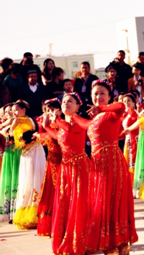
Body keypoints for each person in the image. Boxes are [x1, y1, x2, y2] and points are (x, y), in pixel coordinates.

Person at [73, 79, 138, 254]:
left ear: (109, 96)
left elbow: (120, 107)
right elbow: (85, 125)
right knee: (100, 203)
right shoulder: (95, 117)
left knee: (113, 201)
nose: (98, 97)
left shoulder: (112, 112)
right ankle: (109, 243)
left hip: (112, 162)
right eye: (95, 94)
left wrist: (101, 108)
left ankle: (120, 244)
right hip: (97, 164)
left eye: (102, 93)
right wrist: (70, 115)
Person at [41, 93, 91, 255]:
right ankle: (65, 238)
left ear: (78, 106)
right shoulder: (62, 123)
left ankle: (80, 241)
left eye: (70, 101)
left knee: (78, 203)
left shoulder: (76, 121)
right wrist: (47, 126)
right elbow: (58, 137)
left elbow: (69, 129)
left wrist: (55, 120)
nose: (66, 104)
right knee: (66, 203)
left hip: (79, 166)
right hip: (65, 168)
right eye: (64, 101)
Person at [12, 100, 46, 230]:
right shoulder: (19, 120)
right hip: (26, 153)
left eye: (16, 110)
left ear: (24, 109)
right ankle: (26, 211)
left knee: (34, 179)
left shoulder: (28, 121)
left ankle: (36, 213)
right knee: (26, 180)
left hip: (34, 153)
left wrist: (13, 126)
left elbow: (25, 137)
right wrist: (13, 126)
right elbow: (12, 137)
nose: (15, 113)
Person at [36, 99, 62, 237]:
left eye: (52, 110)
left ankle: (60, 223)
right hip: (51, 160)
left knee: (60, 190)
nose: (48, 113)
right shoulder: (45, 122)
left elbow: (59, 139)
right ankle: (51, 223)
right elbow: (45, 140)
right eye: (46, 110)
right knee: (50, 190)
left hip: (62, 161)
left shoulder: (62, 122)